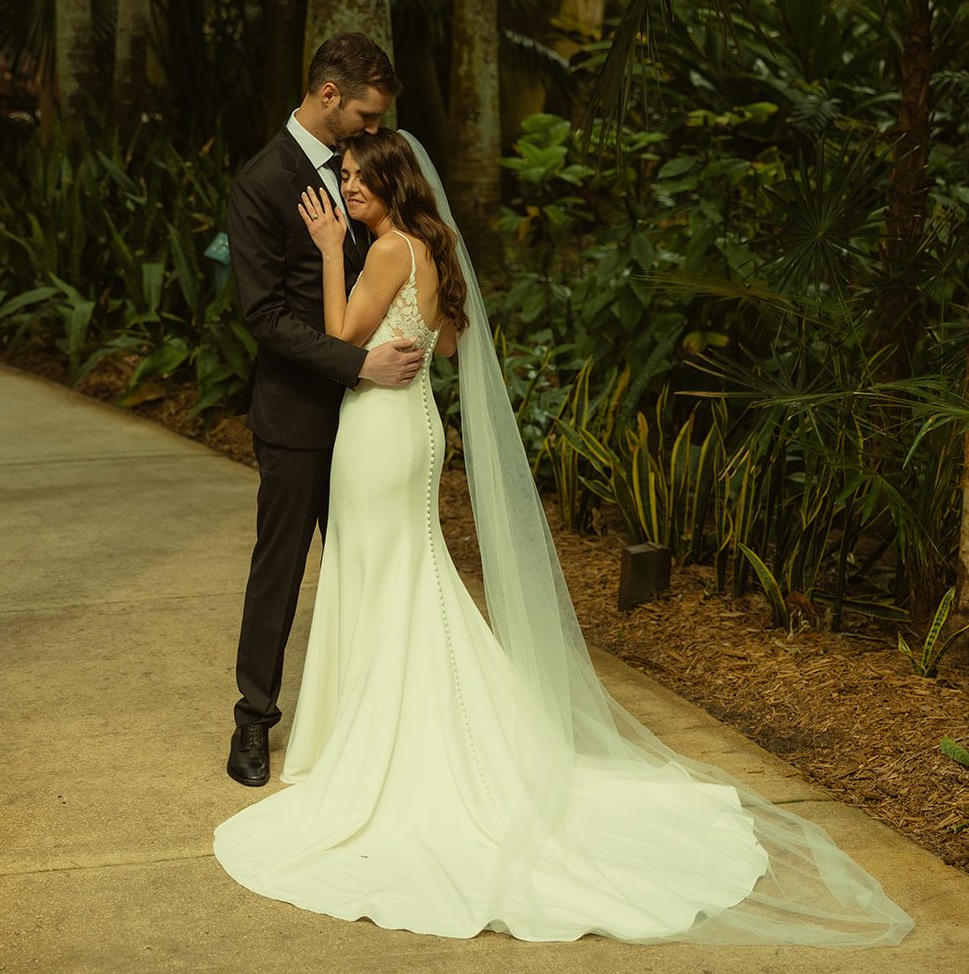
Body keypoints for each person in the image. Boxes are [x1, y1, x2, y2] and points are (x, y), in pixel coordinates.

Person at [215, 130, 913, 948]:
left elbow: (339, 338)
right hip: (417, 429)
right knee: (407, 575)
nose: (349, 193)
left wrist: (332, 249)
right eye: (348, 184)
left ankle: (384, 741)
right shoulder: (427, 251)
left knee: (383, 576)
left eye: (362, 183)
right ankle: (412, 725)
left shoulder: (381, 252)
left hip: (376, 434)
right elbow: (443, 343)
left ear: (393, 186)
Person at [224, 35, 424, 789]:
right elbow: (264, 314)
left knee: (372, 566)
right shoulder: (261, 181)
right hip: (299, 412)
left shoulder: (373, 163)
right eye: (367, 113)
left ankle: (374, 722)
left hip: (378, 420)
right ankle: (253, 720)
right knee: (280, 568)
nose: (375, 128)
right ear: (331, 95)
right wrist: (355, 363)